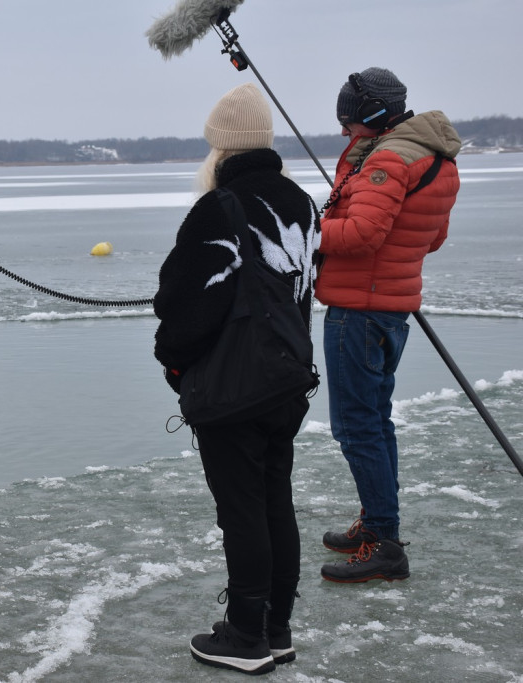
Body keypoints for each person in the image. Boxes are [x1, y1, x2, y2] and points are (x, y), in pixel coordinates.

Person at [153, 83, 320, 675]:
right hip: (287, 382)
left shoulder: (219, 208)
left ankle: (246, 635)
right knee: (276, 500)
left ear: (222, 147)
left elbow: (183, 305)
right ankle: (277, 629)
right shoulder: (301, 202)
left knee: (242, 509)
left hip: (233, 389)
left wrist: (172, 361)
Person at [316, 68, 461, 583]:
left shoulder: (387, 160)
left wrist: (312, 229)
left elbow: (360, 235)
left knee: (356, 427)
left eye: (349, 121)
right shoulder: (435, 159)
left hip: (359, 309)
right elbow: (432, 239)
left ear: (373, 116)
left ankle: (385, 544)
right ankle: (377, 524)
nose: (343, 132)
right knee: (375, 421)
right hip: (390, 309)